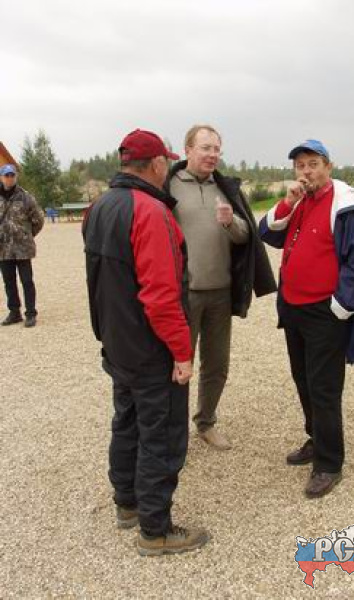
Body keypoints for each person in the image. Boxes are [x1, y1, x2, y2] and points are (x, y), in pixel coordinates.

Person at [82, 129, 209, 556]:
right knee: (162, 435)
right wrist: (181, 352)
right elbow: (161, 294)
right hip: (150, 347)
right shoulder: (150, 211)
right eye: (165, 162)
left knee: (127, 421)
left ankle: (128, 503)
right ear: (156, 164)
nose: (166, 168)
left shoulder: (99, 207)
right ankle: (156, 530)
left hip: (118, 340)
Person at [259, 139, 354, 498]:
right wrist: (288, 202)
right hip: (294, 309)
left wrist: (341, 307)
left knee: (324, 388)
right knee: (303, 379)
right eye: (300, 165)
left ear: (328, 166)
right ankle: (317, 439)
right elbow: (266, 232)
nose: (306, 171)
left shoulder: (347, 206)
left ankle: (329, 463)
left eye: (313, 164)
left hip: (324, 313)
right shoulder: (301, 200)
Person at [168, 124, 276, 450]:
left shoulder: (226, 188)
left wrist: (231, 222)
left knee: (217, 365)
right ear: (188, 150)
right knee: (178, 366)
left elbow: (246, 237)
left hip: (220, 293)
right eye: (206, 148)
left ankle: (206, 422)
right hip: (183, 295)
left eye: (217, 149)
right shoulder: (168, 185)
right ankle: (172, 432)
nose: (212, 154)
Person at [0, 164, 44, 328]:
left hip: (23, 248)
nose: (9, 178)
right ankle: (14, 313)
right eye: (6, 175)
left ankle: (31, 313)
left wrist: (28, 235)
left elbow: (38, 219)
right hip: (3, 249)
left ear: (16, 177)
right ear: (1, 177)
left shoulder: (26, 197)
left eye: (12, 175)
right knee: (9, 282)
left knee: (27, 281)